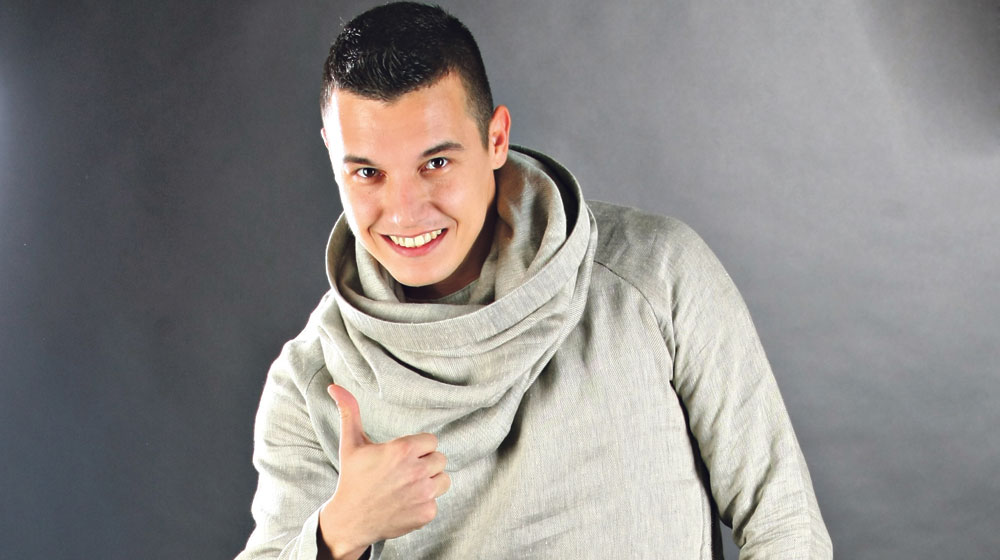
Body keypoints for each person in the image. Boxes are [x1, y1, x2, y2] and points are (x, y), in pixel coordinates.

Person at [236, 3, 833, 559]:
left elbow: (784, 521)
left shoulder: (654, 274)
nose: (405, 211)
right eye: (368, 173)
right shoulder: (312, 384)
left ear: (495, 139)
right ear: (332, 155)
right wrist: (338, 532)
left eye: (436, 163)